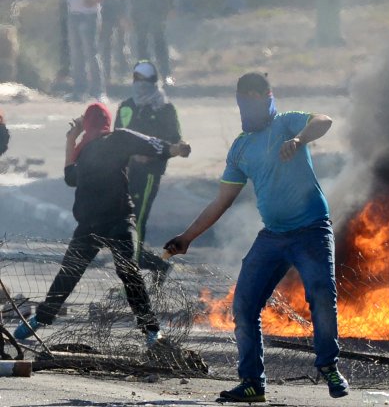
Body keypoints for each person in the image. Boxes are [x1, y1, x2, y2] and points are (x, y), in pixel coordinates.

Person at [163, 72, 349, 402]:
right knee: (245, 304)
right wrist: (188, 237)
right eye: (242, 99)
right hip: (274, 237)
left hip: (312, 230)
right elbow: (221, 200)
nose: (247, 106)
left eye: (254, 97)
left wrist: (300, 139)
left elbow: (325, 119)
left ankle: (328, 365)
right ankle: (252, 383)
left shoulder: (287, 124)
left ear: (268, 96)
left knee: (321, 292)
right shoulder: (240, 148)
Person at [14, 102, 190, 344]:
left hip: (111, 222)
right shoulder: (89, 150)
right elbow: (71, 177)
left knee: (113, 273)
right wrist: (71, 139)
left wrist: (175, 149)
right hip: (98, 223)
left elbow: (150, 145)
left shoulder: (111, 141)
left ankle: (150, 330)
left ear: (88, 124)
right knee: (107, 273)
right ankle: (150, 330)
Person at [114, 60, 180, 282]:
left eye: (145, 81)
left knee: (138, 220)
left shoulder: (164, 109)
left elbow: (174, 143)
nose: (140, 85)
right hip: (126, 174)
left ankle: (131, 274)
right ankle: (155, 265)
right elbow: (116, 137)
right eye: (136, 80)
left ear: (154, 82)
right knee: (122, 222)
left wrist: (151, 155)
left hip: (149, 174)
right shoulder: (126, 106)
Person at [64, 0, 112, 103]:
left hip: (88, 14)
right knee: (76, 54)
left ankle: (99, 91)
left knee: (91, 53)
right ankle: (79, 90)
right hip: (75, 13)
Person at [99, 0, 129, 87]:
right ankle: (107, 73)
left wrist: (126, 15)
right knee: (106, 44)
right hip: (106, 13)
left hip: (120, 12)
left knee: (122, 43)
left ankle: (123, 72)